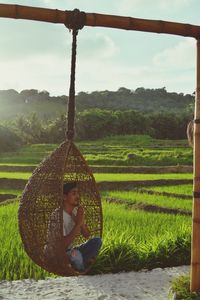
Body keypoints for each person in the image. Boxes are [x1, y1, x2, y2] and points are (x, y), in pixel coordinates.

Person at [46, 182, 102, 272]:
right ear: (64, 197)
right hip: (58, 253)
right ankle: (82, 269)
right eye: (74, 193)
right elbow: (63, 245)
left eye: (78, 193)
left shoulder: (75, 212)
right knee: (76, 255)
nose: (77, 196)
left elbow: (87, 235)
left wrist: (82, 222)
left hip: (70, 250)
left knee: (97, 241)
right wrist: (78, 223)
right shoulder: (57, 216)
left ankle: (81, 263)